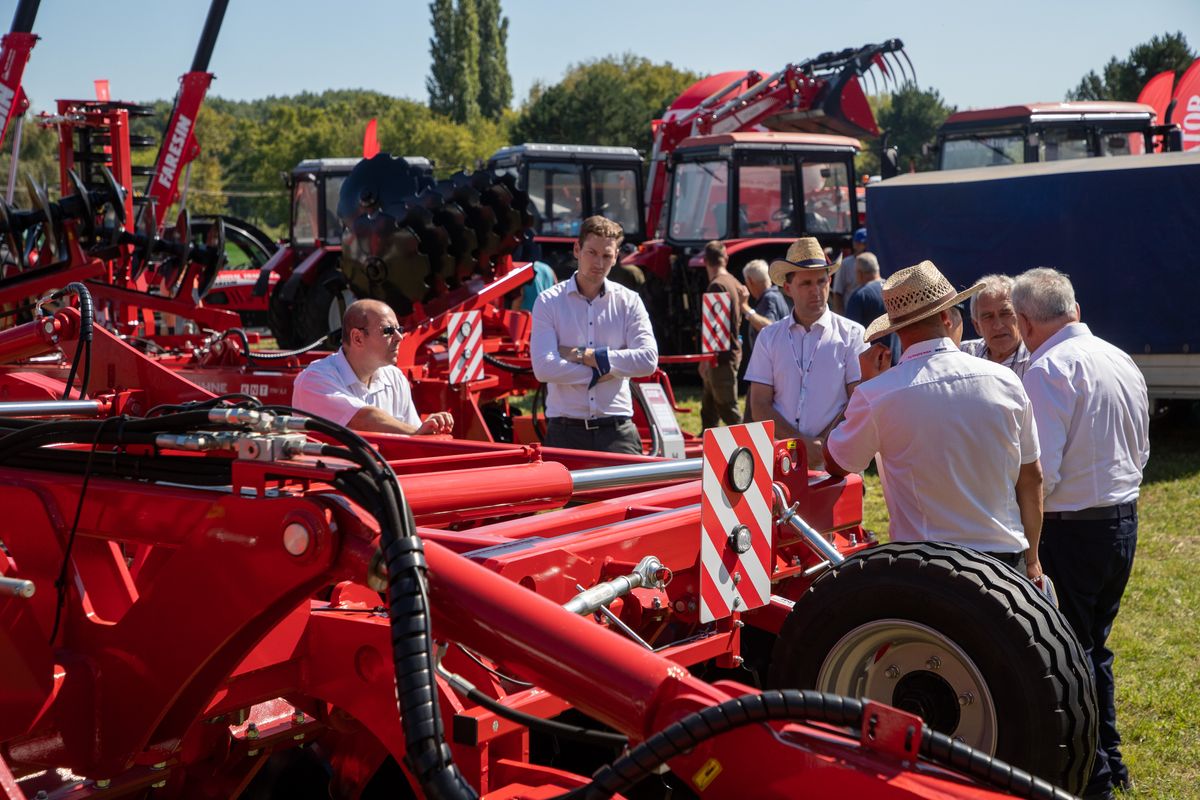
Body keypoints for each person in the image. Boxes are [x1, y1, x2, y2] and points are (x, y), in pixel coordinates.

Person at [1012, 268, 1149, 800]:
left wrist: (1029, 544)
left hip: (1074, 530)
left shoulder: (1048, 370)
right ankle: (1108, 763)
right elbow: (1139, 447)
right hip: (1120, 521)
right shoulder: (1119, 357)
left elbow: (1040, 472)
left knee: (1072, 656)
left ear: (1024, 321)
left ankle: (1092, 776)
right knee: (1094, 649)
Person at [823, 260, 1045, 578]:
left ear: (896, 329)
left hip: (927, 566)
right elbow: (1032, 476)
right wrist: (1033, 558)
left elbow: (836, 461)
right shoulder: (1006, 380)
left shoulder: (878, 394)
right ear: (945, 316)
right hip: (1006, 561)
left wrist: (864, 385)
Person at [530, 216, 658, 454]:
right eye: (592, 252)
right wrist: (603, 370)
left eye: (607, 255)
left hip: (617, 429)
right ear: (577, 249)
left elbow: (648, 360)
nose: (599, 262)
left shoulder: (629, 302)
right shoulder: (548, 302)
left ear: (616, 256)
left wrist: (587, 356)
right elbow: (544, 368)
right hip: (565, 431)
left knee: (634, 492)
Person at [744, 237, 868, 467]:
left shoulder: (853, 335)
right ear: (788, 288)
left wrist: (824, 445)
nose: (816, 291)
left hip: (836, 460)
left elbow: (859, 401)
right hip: (782, 461)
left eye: (822, 281)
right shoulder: (769, 337)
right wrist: (802, 444)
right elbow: (759, 405)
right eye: (806, 283)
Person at [292, 299, 454, 435]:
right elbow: (362, 419)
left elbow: (412, 434)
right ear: (358, 338)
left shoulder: (394, 377)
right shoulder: (313, 380)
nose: (399, 337)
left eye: (400, 329)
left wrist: (428, 428)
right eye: (389, 330)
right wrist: (416, 431)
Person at [698, 240, 745, 428]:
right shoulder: (733, 282)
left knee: (728, 409)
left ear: (705, 261)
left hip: (720, 358)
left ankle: (753, 446)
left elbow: (714, 329)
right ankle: (704, 444)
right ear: (725, 258)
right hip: (729, 353)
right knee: (709, 409)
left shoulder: (716, 286)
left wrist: (705, 360)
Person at [961, 274, 1031, 376]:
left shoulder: (1036, 360)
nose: (998, 325)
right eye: (988, 316)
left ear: (1021, 316)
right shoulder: (963, 355)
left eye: (1005, 313)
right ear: (977, 326)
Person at [842, 252, 900, 364]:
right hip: (898, 364)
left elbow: (849, 334)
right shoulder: (894, 290)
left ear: (859, 273)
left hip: (874, 368)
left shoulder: (860, 296)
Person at [830, 227, 867, 314]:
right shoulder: (845, 264)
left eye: (865, 243)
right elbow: (837, 293)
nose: (864, 246)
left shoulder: (874, 260)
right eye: (861, 243)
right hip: (852, 314)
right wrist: (841, 316)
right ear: (854, 244)